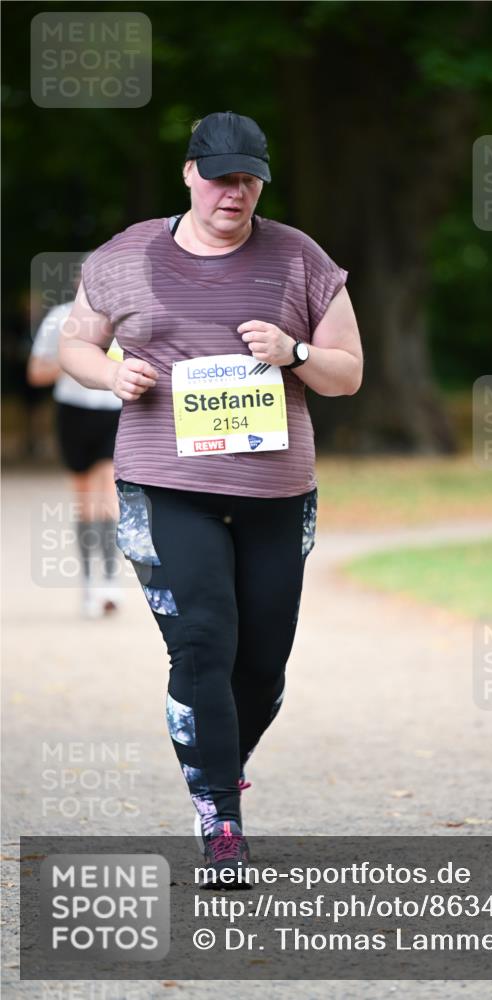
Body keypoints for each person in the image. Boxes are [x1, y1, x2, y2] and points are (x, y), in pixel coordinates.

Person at [59, 111, 363, 885]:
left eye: (249, 178)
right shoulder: (127, 255)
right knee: (202, 645)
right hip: (166, 485)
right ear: (189, 173)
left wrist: (294, 353)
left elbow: (347, 373)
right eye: (221, 175)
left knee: (260, 666)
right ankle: (220, 820)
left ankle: (218, 758)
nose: (235, 192)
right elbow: (76, 343)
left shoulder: (299, 259)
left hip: (274, 491)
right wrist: (109, 375)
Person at [27, 279, 124, 618]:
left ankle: (111, 582)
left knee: (108, 496)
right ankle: (89, 585)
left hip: (113, 413)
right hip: (73, 414)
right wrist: (72, 358)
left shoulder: (125, 318)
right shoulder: (59, 319)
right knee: (85, 502)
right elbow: (36, 374)